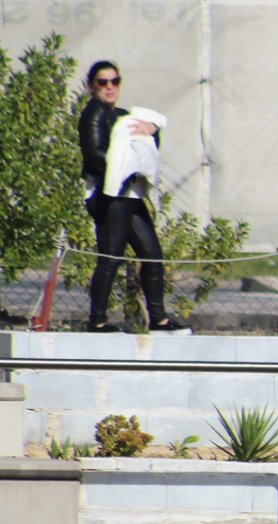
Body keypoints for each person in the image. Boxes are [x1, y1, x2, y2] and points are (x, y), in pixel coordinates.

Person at [78, 60, 188, 334]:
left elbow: (145, 141)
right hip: (111, 195)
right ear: (92, 86)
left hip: (130, 196)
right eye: (103, 82)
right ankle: (97, 321)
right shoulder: (93, 114)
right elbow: (94, 156)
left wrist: (153, 130)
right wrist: (126, 172)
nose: (110, 87)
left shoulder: (120, 115)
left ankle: (159, 319)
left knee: (151, 254)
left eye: (114, 81)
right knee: (111, 256)